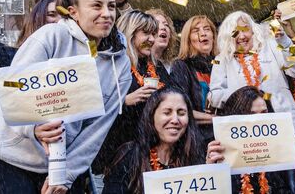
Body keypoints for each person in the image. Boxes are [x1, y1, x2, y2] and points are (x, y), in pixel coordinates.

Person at [0, 0, 132, 193]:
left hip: (55, 172)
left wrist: (66, 175)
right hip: (4, 162)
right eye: (97, 6)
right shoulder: (50, 37)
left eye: (111, 6)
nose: (107, 14)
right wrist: (33, 127)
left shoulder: (120, 63)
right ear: (73, 12)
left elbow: (96, 131)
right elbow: (11, 89)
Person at [94, 10, 170, 174]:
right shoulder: (113, 66)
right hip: (118, 156)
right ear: (130, 34)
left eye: (153, 34)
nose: (151, 39)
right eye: (146, 33)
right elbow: (93, 109)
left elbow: (174, 95)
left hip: (150, 153)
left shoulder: (155, 67)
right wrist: (124, 101)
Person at [209, 11, 295, 133]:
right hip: (245, 130)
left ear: (253, 31)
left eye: (245, 29)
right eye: (235, 32)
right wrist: (244, 96)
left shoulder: (270, 45)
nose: (242, 36)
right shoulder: (221, 60)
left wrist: (284, 42)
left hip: (284, 123)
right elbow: (214, 96)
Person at [102, 88, 207, 193]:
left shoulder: (196, 157)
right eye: (167, 113)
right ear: (152, 116)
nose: (175, 120)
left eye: (181, 113)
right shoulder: (129, 156)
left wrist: (209, 169)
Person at [206, 86, 294, 193]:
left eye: (264, 113)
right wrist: (210, 169)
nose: (259, 120)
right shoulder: (218, 149)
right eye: (251, 114)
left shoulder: (278, 148)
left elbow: (286, 189)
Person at [170, 15, 219, 143]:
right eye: (196, 31)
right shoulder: (181, 66)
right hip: (196, 140)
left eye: (207, 29)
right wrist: (218, 118)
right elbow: (180, 109)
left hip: (223, 136)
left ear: (213, 36)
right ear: (188, 39)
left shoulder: (221, 65)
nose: (203, 34)